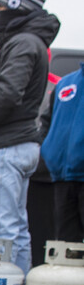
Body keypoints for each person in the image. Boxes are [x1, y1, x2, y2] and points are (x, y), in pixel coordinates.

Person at [0, 0, 60, 274]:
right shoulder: (32, 42)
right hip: (21, 144)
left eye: (1, 7)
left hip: (6, 145)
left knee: (0, 231)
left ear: (17, 6)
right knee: (18, 230)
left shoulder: (21, 43)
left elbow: (9, 92)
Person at [40, 61, 84, 241]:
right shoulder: (65, 83)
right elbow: (46, 121)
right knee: (65, 248)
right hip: (62, 178)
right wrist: (48, 149)